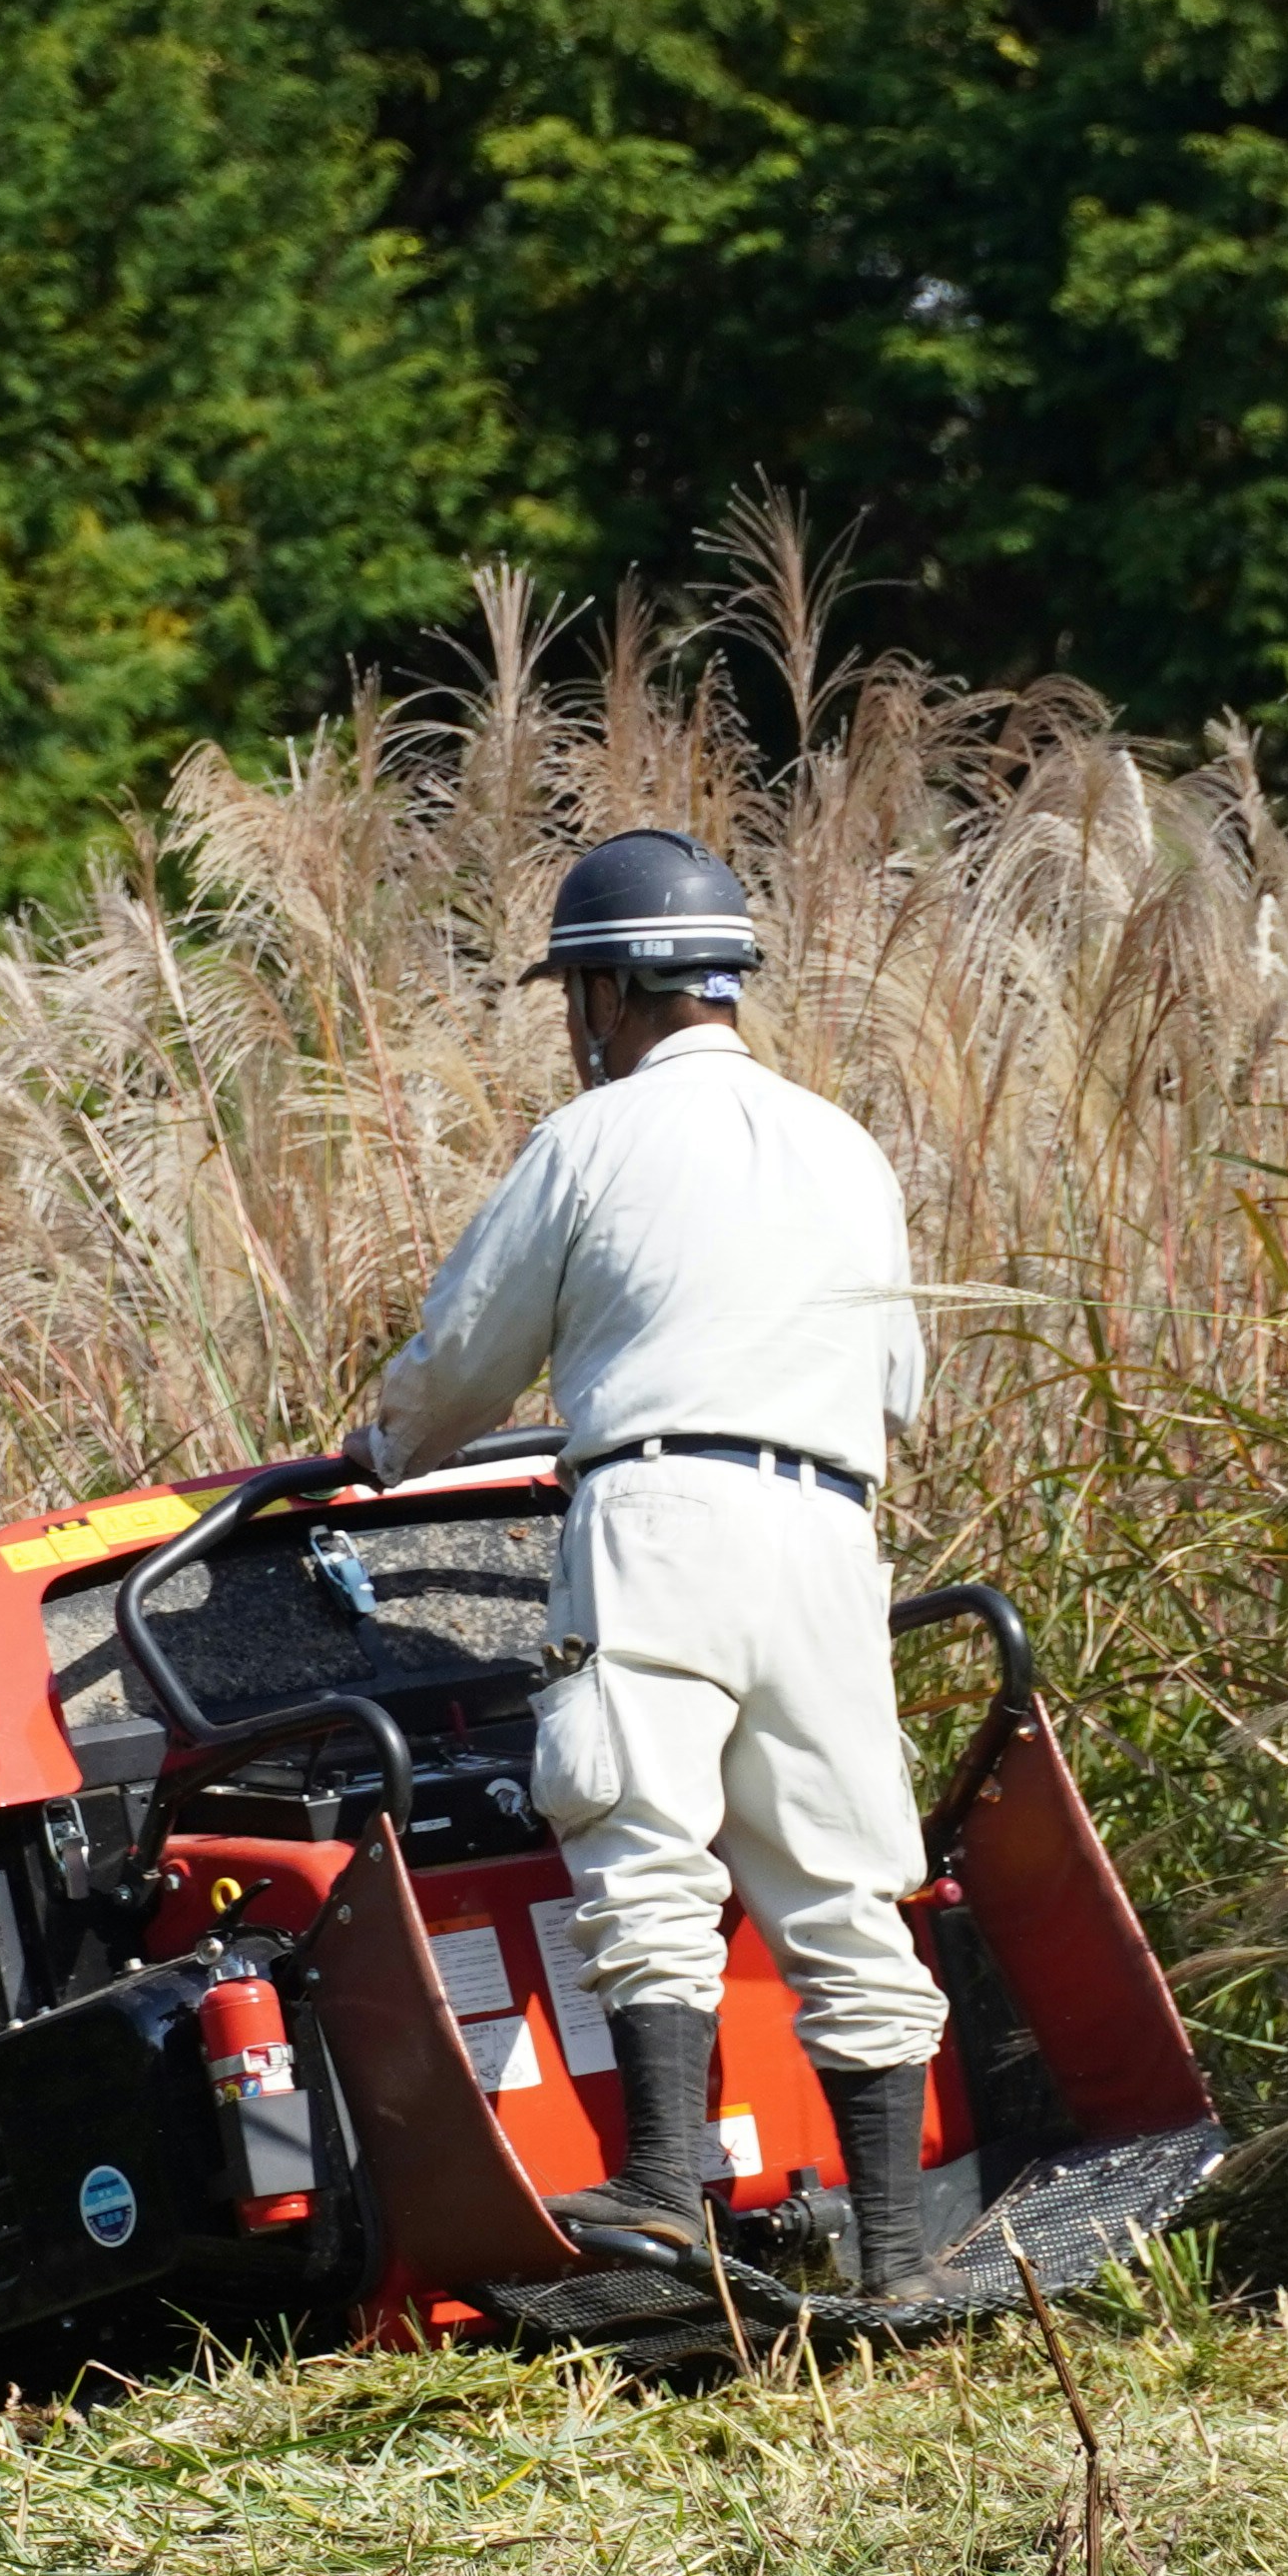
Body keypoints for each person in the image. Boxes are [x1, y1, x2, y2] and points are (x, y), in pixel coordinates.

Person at [347, 829, 966, 2298]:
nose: (581, 1026)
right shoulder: (847, 1145)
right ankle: (893, 2262)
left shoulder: (593, 1139)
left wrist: (382, 1450)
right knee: (839, 1882)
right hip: (828, 1529)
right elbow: (897, 1384)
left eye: (581, 995)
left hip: (661, 1512)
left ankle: (663, 2186)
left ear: (615, 989)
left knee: (638, 1837)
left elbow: (465, 1360)